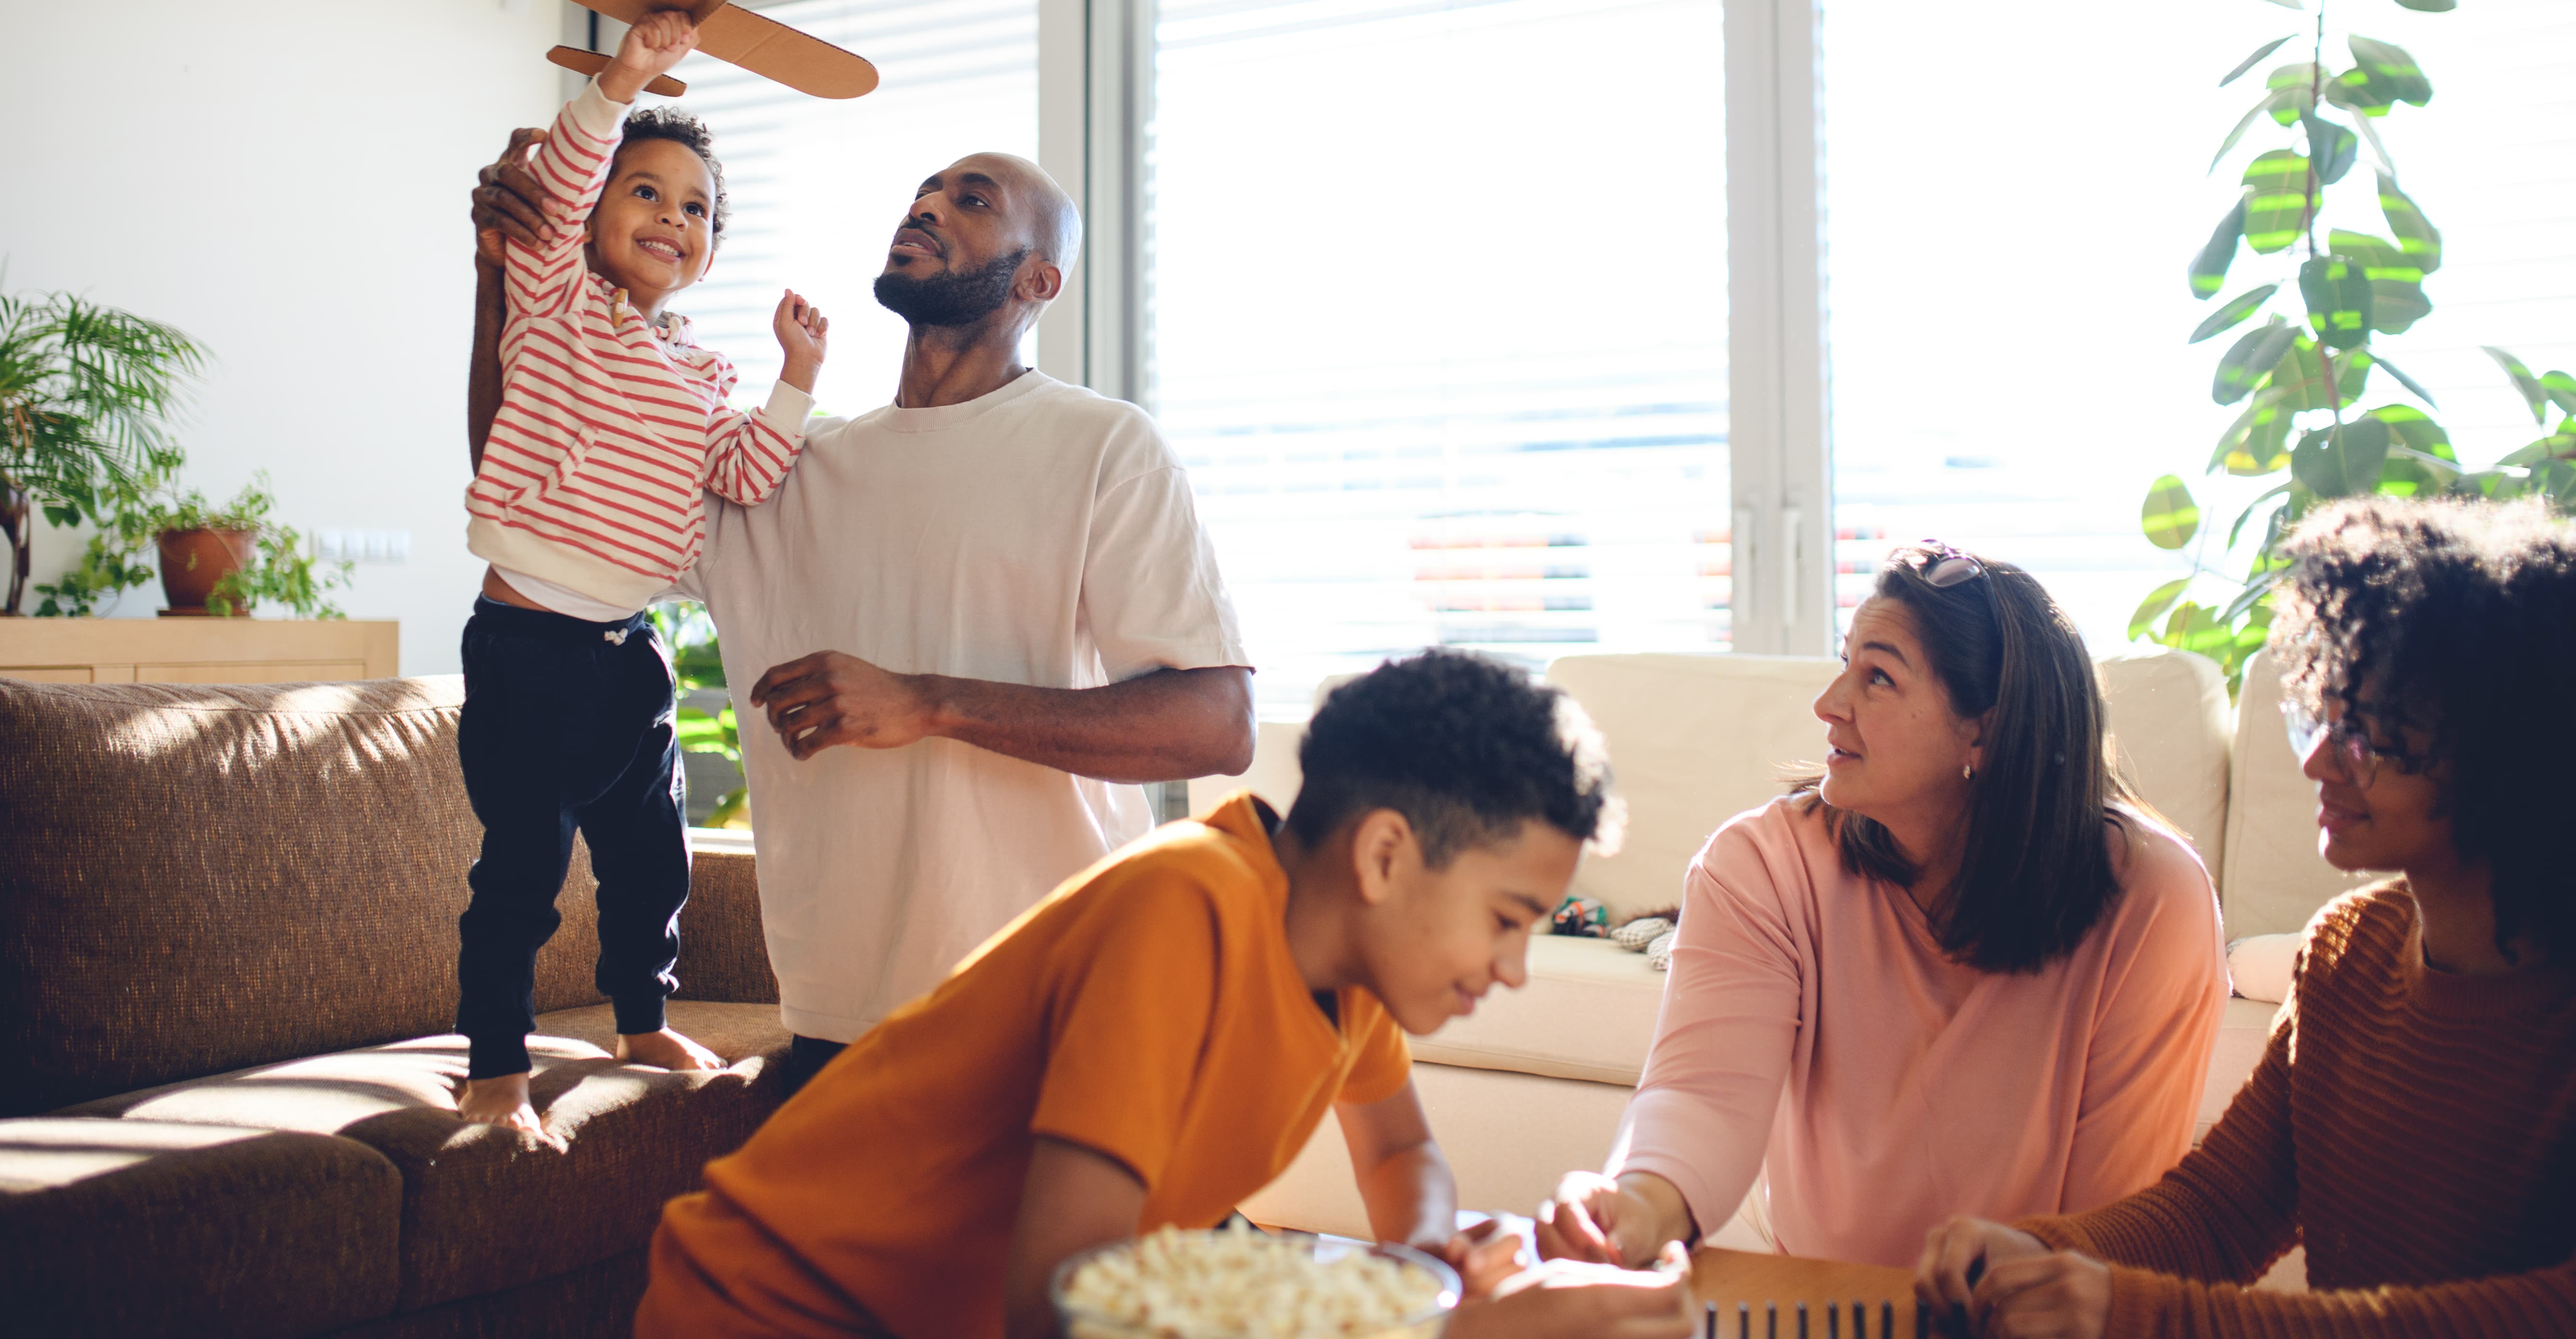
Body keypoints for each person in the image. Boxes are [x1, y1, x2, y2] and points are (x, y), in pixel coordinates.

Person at [469, 139, 1253, 1092]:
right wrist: (498, 275)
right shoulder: (796, 469)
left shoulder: (1103, 445)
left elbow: (1216, 724)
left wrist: (929, 702)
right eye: (924, 191)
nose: (927, 206)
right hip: (838, 1022)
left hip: (1052, 1003)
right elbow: (534, 480)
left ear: (1040, 278)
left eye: (972, 200)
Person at [634, 651, 1698, 1339]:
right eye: (1508, 916)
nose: (1514, 965)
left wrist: (1427, 1261)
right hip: (778, 1304)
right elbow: (1066, 1296)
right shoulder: (1182, 906)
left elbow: (1400, 1154)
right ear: (1384, 854)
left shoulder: (1355, 971)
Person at [1915, 498, 2576, 1339]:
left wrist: (2139, 1315)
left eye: (2364, 736)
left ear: (2507, 756)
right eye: (2324, 718)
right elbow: (2220, 1211)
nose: (2314, 761)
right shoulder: (2348, 952)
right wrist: (2038, 1258)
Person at [1536, 542, 2226, 1269]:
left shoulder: (2152, 899)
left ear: (1984, 728)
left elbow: (2111, 1238)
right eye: (1844, 664)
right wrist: (1638, 1202)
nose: (1828, 704)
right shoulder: (1762, 865)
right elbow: (1702, 1097)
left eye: (1878, 678)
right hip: (1823, 1309)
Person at [455, 10, 831, 1138]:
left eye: (698, 208)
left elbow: (748, 473)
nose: (675, 217)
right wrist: (623, 79)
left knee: (649, 853)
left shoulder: (699, 368)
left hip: (630, 654)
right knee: (523, 869)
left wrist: (794, 377)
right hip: (527, 647)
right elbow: (564, 182)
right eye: (648, 193)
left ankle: (639, 1015)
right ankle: (494, 1066)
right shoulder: (556, 302)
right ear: (592, 219)